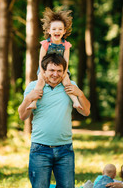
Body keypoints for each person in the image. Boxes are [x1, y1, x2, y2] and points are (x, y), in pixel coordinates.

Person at [18, 53, 90, 188]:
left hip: (65, 149)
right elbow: (22, 116)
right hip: (40, 149)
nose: (55, 74)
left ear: (64, 72)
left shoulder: (70, 86)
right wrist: (29, 98)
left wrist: (80, 93)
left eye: (59, 71)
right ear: (44, 71)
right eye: (51, 70)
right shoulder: (34, 87)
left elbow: (86, 111)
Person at [27, 7, 82, 110]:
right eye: (54, 29)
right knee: (40, 82)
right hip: (45, 68)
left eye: (60, 29)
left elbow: (66, 61)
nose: (57, 31)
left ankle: (75, 101)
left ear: (64, 31)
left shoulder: (66, 45)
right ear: (49, 30)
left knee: (67, 82)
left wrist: (64, 73)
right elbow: (41, 60)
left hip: (61, 68)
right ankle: (33, 102)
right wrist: (43, 72)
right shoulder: (45, 44)